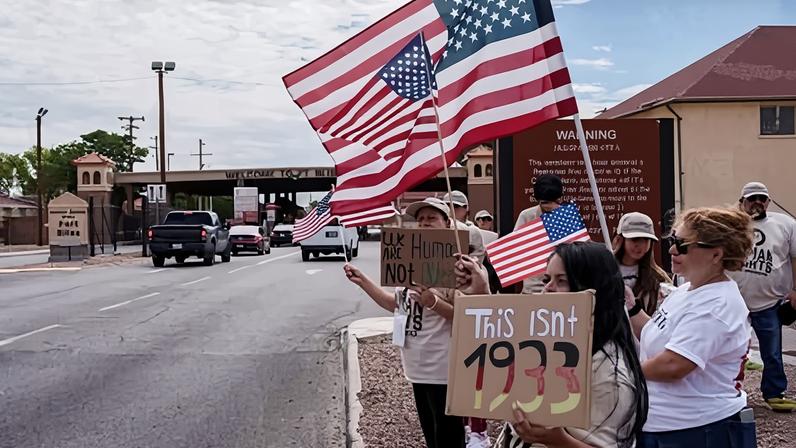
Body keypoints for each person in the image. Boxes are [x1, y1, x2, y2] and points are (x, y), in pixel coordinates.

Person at [456, 242, 648, 447]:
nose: (547, 289)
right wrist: (480, 293)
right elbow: (507, 341)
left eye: (562, 280)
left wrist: (556, 439)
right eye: (547, 279)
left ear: (593, 288)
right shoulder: (554, 342)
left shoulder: (608, 375)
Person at [625, 206, 756, 447]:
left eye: (683, 244)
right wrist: (632, 308)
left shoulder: (716, 305)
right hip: (668, 425)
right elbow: (657, 333)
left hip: (697, 430)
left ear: (716, 255)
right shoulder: (688, 290)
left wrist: (619, 373)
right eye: (673, 240)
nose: (673, 249)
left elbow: (674, 365)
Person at [343, 197, 465, 448]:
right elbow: (396, 305)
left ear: (447, 222)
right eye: (420, 219)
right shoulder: (409, 262)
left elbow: (464, 316)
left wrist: (432, 301)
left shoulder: (457, 265)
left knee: (448, 436)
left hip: (443, 368)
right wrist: (363, 281)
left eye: (431, 218)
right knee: (432, 435)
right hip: (416, 367)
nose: (424, 223)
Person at [728, 181, 796, 412]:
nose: (757, 202)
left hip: (769, 302)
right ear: (742, 202)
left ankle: (775, 393)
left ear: (768, 201)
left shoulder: (786, 224)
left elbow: (794, 257)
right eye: (751, 198)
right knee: (728, 350)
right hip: (733, 302)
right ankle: (727, 393)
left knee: (772, 353)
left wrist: (795, 289)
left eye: (761, 198)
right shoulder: (730, 226)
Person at [613, 212, 672, 315]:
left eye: (645, 239)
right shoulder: (604, 272)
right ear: (620, 239)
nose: (639, 245)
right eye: (634, 239)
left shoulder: (658, 278)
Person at [514, 174, 565, 293]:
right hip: (532, 289)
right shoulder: (527, 216)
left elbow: (578, 252)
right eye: (544, 203)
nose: (548, 207)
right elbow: (516, 248)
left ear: (560, 199)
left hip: (561, 290)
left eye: (552, 202)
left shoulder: (567, 219)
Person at [443, 190, 485, 262]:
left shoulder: (473, 231)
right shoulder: (440, 227)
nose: (451, 208)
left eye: (456, 206)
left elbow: (476, 260)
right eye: (447, 205)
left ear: (466, 209)